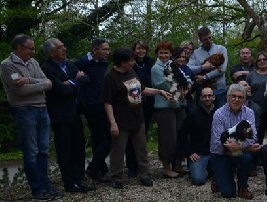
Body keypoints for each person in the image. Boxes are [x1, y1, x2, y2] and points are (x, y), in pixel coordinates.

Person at [1, 34, 60, 201]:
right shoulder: (7, 65)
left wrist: (29, 80)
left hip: (42, 108)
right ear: (19, 48)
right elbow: (21, 91)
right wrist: (40, 84)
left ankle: (46, 186)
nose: (33, 52)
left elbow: (48, 83)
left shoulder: (33, 63)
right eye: (31, 48)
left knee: (43, 150)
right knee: (32, 151)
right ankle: (38, 189)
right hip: (24, 110)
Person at [103, 48, 171, 189]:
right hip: (121, 119)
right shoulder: (110, 75)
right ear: (122, 62)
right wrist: (112, 123)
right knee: (118, 149)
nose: (133, 63)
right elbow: (107, 102)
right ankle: (116, 177)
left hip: (137, 117)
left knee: (141, 149)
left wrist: (159, 92)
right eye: (130, 61)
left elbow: (142, 89)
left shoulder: (131, 72)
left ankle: (144, 175)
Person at [41, 38, 95, 194]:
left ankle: (79, 180)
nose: (64, 49)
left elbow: (86, 79)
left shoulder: (69, 64)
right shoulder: (47, 68)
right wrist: (75, 81)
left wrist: (70, 83)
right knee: (65, 149)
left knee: (78, 147)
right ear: (52, 52)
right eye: (60, 47)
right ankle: (70, 183)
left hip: (75, 112)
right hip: (60, 115)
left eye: (64, 46)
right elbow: (60, 90)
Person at [210, 84, 262, 199]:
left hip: (239, 153)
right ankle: (218, 177)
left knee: (247, 158)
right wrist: (241, 147)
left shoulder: (249, 113)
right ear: (227, 97)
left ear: (244, 99)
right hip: (221, 154)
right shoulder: (218, 114)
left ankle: (243, 187)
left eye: (240, 97)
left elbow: (253, 138)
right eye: (233, 96)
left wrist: (239, 147)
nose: (236, 100)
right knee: (228, 193)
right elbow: (217, 141)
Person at [74, 38, 112, 183]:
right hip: (91, 105)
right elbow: (68, 71)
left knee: (104, 138)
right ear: (95, 50)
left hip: (103, 103)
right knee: (103, 136)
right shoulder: (82, 63)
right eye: (105, 49)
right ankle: (94, 168)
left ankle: (98, 169)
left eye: (108, 49)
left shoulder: (104, 63)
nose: (107, 52)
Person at [151, 41, 187, 178]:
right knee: (168, 138)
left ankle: (177, 165)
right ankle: (166, 167)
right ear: (157, 54)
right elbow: (164, 85)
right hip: (165, 107)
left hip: (178, 105)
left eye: (166, 52)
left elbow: (183, 81)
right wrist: (180, 91)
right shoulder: (156, 68)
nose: (164, 55)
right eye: (161, 53)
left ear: (171, 54)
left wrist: (182, 91)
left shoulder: (172, 65)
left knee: (181, 135)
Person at [127, 40, 156, 178]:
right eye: (138, 48)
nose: (141, 51)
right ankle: (131, 166)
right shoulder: (130, 63)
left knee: (142, 135)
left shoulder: (151, 62)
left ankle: (142, 166)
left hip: (149, 102)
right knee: (132, 134)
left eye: (143, 49)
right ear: (134, 49)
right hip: (134, 102)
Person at [178, 87, 218, 186]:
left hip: (216, 152)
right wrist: (190, 153)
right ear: (200, 98)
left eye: (209, 96)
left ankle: (210, 169)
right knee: (198, 180)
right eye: (204, 96)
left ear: (214, 97)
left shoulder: (219, 113)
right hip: (199, 154)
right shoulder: (193, 114)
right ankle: (204, 169)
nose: (207, 98)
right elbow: (182, 135)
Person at [188, 26, 228, 108]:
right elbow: (189, 68)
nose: (208, 41)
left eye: (209, 37)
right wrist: (202, 67)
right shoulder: (195, 53)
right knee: (202, 118)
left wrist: (205, 77)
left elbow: (222, 69)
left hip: (219, 90)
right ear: (200, 40)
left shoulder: (221, 49)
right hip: (203, 92)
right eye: (205, 39)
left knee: (221, 116)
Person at [247, 51, 267, 144]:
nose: (262, 61)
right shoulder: (251, 75)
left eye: (264, 59)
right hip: (255, 109)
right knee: (257, 135)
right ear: (256, 62)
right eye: (259, 60)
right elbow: (247, 90)